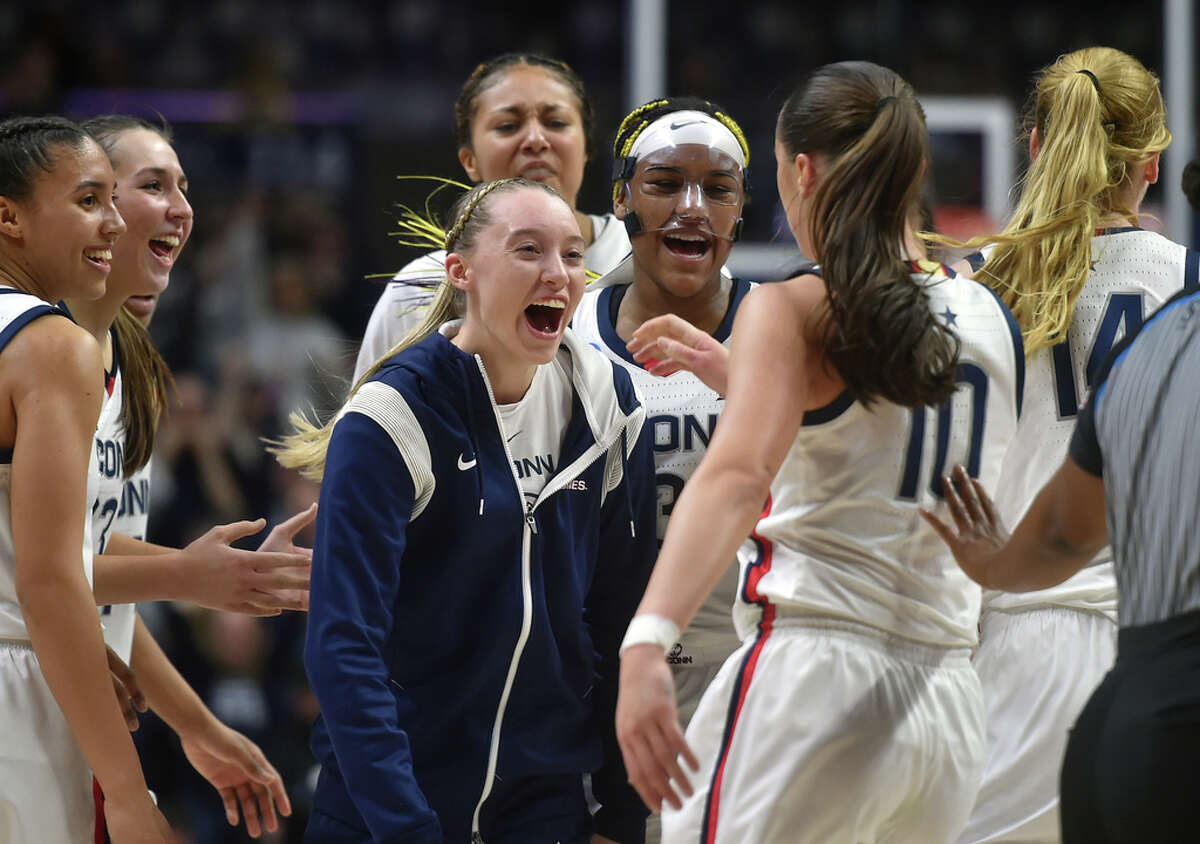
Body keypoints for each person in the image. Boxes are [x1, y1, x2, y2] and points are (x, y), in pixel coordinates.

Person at [614, 61, 1024, 844]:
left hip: (813, 682)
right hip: (945, 708)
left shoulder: (794, 304)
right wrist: (739, 372)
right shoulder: (987, 316)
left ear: (801, 170)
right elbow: (875, 430)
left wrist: (647, 641)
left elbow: (737, 476)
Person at [275, 177, 658, 844]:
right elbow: (344, 650)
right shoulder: (391, 417)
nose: (557, 274)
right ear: (462, 272)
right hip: (386, 811)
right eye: (528, 250)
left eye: (572, 254)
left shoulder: (610, 403)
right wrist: (406, 829)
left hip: (544, 811)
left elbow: (623, 617)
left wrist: (622, 817)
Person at [935, 47, 1192, 844]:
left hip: (1007, 638)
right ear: (1153, 159)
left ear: (1036, 143)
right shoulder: (1186, 285)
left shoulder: (966, 287)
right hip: (1158, 646)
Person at [69, 114, 318, 837]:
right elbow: (43, 572)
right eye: (154, 184)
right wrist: (186, 575)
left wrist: (196, 725)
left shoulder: (133, 368)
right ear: (92, 205)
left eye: (184, 186)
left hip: (63, 690)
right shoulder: (41, 348)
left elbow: (96, 576)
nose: (182, 206)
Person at [924, 283, 1200, 843]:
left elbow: (1058, 538)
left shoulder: (1148, 343)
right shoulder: (1172, 279)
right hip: (1145, 652)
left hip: (1104, 695)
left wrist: (988, 565)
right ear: (1149, 185)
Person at [569, 94, 753, 843]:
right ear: (620, 201)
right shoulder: (563, 330)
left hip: (743, 669)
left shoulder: (784, 329)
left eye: (717, 189)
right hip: (596, 678)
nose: (692, 208)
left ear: (743, 210)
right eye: (665, 183)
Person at [0, 115, 171, 843]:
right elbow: (50, 582)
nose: (115, 222)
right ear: (8, 216)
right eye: (89, 200)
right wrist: (130, 795)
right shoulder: (53, 347)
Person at [354, 53, 630, 380]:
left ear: (585, 150)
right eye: (507, 126)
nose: (535, 140)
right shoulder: (419, 289)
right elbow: (369, 421)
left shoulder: (638, 259)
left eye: (555, 122)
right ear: (469, 159)